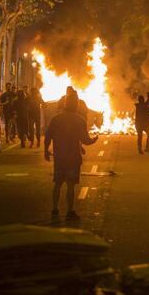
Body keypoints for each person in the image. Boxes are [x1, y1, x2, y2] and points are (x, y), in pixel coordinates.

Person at [45, 92, 98, 220]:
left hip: (59, 157)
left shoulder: (56, 119)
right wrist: (94, 139)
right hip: (73, 158)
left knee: (57, 184)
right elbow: (85, 139)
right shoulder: (79, 120)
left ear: (65, 104)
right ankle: (70, 211)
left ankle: (55, 209)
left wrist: (45, 151)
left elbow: (48, 136)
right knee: (70, 185)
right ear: (76, 106)